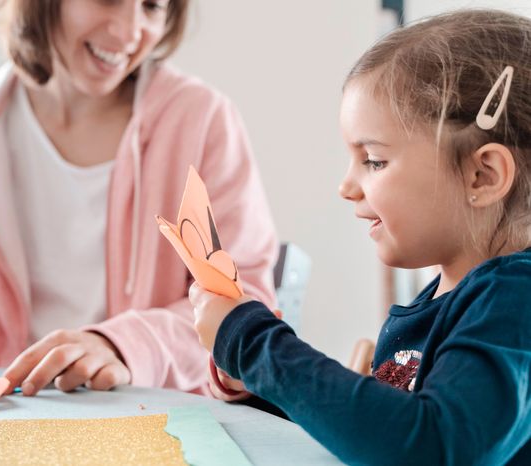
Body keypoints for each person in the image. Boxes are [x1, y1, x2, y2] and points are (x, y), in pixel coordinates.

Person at [0, 0, 278, 405]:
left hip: (163, 414)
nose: (131, 32)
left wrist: (120, 345)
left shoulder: (202, 120)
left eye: (152, 5)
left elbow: (243, 300)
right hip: (16, 410)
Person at [190, 9, 531, 465]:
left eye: (373, 160)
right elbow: (376, 435)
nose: (347, 186)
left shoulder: (514, 303)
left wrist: (256, 345)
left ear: (482, 175)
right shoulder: (456, 294)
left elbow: (430, 447)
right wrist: (263, 386)